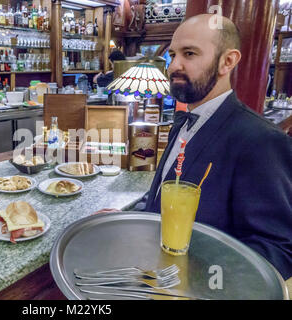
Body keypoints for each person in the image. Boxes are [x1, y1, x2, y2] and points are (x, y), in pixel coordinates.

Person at [100, 14, 292, 281]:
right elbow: (161, 198)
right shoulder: (183, 122)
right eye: (173, 55)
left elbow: (277, 249)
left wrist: (197, 277)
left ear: (228, 61)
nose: (174, 66)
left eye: (189, 54)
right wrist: (127, 218)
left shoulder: (260, 139)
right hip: (152, 275)